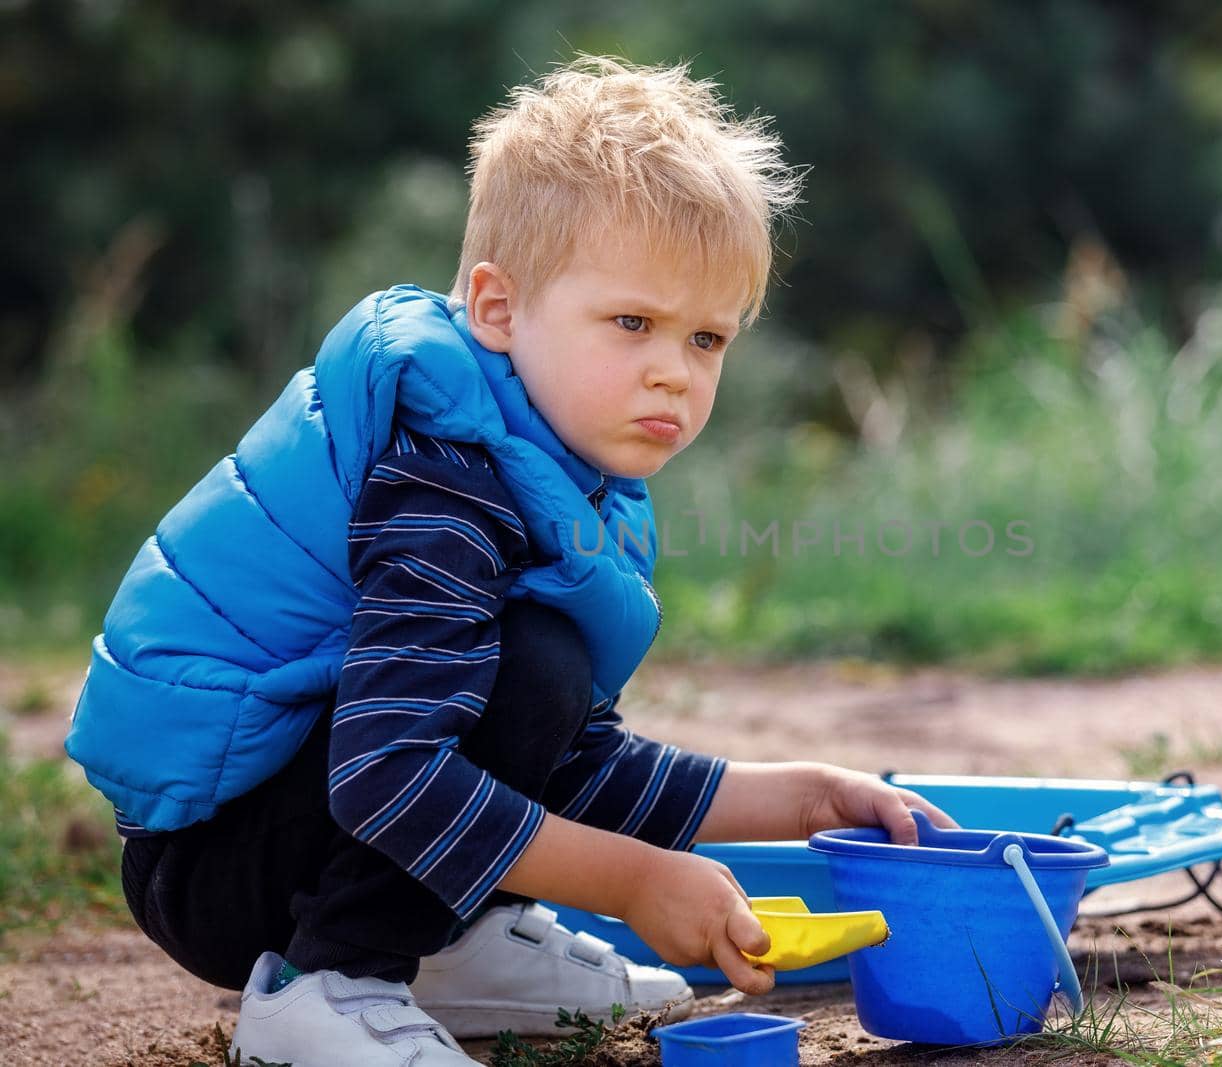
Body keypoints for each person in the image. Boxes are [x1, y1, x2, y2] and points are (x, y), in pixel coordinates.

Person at [64, 55, 954, 1066]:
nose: (674, 368)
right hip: (215, 858)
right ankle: (325, 984)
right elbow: (387, 772)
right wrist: (629, 881)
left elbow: (559, 754)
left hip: (301, 817)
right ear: (496, 307)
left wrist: (803, 796)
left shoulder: (548, 462)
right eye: (632, 322)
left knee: (538, 671)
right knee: (533, 659)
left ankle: (454, 952)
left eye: (707, 338)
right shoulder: (446, 478)